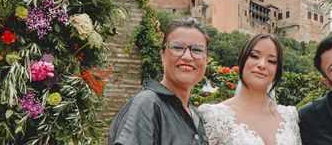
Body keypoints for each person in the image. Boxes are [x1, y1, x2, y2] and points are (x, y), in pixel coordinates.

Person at [108, 17, 210, 145]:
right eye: (177, 47)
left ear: (206, 60)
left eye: (197, 50)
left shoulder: (194, 114)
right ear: (162, 55)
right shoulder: (148, 104)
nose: (187, 57)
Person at [198, 33, 301, 145]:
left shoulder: (289, 117)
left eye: (271, 61)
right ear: (242, 60)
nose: (262, 65)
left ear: (277, 70)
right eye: (254, 56)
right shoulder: (214, 116)